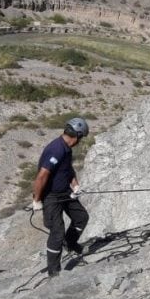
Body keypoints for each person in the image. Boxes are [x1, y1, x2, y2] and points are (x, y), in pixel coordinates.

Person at [32, 117, 90, 276]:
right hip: (51, 196)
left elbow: (67, 169)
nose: (80, 141)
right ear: (77, 136)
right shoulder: (56, 149)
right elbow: (41, 177)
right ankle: (54, 271)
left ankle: (71, 243)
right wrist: (37, 200)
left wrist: (75, 185)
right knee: (57, 232)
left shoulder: (66, 149)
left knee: (81, 217)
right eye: (81, 137)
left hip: (64, 191)